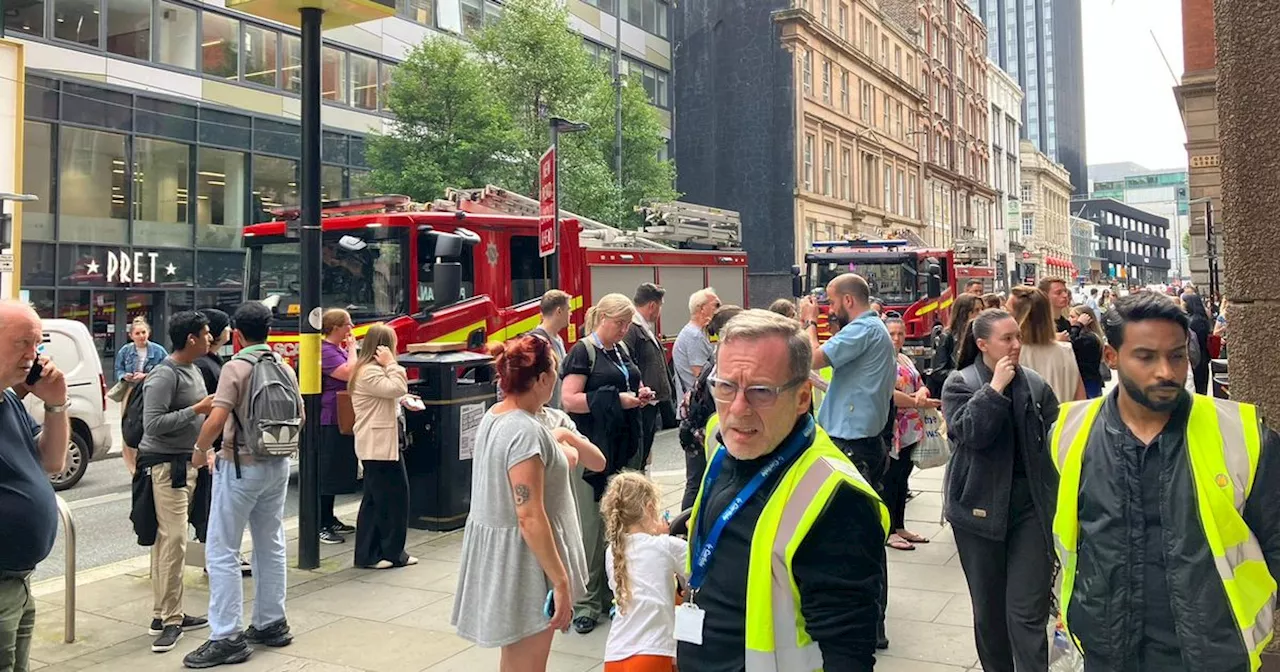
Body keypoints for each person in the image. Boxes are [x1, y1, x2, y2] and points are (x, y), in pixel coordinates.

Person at [1048, 292, 1280, 671]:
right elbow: (1057, 532)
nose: (1167, 372)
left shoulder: (1243, 434)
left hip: (1215, 653)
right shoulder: (1068, 433)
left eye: (1177, 355)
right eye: (1146, 356)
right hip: (1107, 649)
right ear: (1112, 357)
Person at [678, 310, 888, 671]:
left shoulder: (837, 499)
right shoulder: (728, 443)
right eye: (726, 386)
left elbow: (848, 653)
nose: (738, 409)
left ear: (803, 397)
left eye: (761, 391)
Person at [452, 335, 589, 672]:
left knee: (516, 661)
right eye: (555, 369)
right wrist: (560, 580)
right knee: (529, 663)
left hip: (509, 555)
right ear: (542, 379)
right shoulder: (526, 430)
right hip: (527, 562)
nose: (556, 377)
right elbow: (528, 513)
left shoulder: (495, 416)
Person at [941, 308, 1060, 672]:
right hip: (978, 511)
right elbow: (971, 433)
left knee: (1026, 610)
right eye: (1006, 339)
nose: (1015, 345)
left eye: (1017, 337)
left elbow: (1057, 438)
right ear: (982, 344)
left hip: (1029, 509)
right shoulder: (960, 383)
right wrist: (995, 390)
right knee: (990, 612)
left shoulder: (1035, 384)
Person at [184, 303, 301, 668]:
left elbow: (218, 416)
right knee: (271, 544)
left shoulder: (237, 367)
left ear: (236, 333)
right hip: (277, 465)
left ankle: (227, 636)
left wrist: (200, 450)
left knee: (222, 550)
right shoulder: (284, 365)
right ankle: (271, 623)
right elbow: (301, 416)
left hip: (240, 466)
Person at [797, 273, 896, 649]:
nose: (828, 307)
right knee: (860, 530)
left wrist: (808, 321)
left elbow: (812, 356)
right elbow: (841, 378)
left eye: (832, 301)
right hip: (862, 442)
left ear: (848, 301)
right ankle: (871, 621)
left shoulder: (863, 330)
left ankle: (870, 624)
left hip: (853, 445)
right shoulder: (873, 332)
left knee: (859, 534)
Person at [560, 294, 651, 634]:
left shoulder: (620, 350)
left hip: (624, 446)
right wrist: (618, 400)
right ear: (603, 319)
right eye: (619, 324)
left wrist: (638, 393)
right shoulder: (583, 351)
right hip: (594, 452)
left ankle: (615, 595)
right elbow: (569, 400)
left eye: (628, 325)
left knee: (619, 526)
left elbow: (628, 383)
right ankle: (586, 602)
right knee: (592, 529)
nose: (625, 330)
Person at [136, 311, 215, 653]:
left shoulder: (194, 369)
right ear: (192, 339)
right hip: (166, 467)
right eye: (206, 333)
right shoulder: (163, 375)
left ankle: (168, 612)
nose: (211, 338)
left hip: (187, 463)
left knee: (170, 541)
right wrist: (197, 410)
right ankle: (170, 620)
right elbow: (152, 425)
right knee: (174, 542)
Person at [0, 301, 69, 672]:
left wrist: (57, 403)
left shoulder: (9, 400)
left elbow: (53, 462)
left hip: (19, 583)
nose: (34, 355)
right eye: (22, 343)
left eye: (38, 344)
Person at [348, 325, 420, 570]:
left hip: (380, 443)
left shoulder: (368, 371)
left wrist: (403, 400)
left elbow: (392, 394)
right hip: (377, 444)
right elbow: (397, 387)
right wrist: (392, 364)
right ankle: (393, 552)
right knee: (395, 499)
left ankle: (369, 554)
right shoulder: (370, 372)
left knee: (374, 500)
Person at [600, 472, 687, 672]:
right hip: (652, 651)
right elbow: (697, 577)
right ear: (649, 508)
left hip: (615, 655)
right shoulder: (666, 546)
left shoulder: (612, 552)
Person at [193, 309, 253, 579]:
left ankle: (216, 555)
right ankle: (214, 558)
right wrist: (204, 447)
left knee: (213, 502)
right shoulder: (208, 365)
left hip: (215, 444)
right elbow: (212, 408)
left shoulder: (211, 361)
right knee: (211, 504)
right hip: (214, 445)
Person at [677, 304, 744, 510]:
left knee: (696, 484)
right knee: (704, 485)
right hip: (710, 436)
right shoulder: (723, 365)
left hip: (699, 433)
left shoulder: (715, 360)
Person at [883, 317, 940, 552]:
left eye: (900, 334)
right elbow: (889, 393)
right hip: (893, 427)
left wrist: (922, 393)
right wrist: (918, 400)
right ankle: (889, 530)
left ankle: (900, 526)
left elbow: (920, 381)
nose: (897, 339)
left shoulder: (904, 358)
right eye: (892, 334)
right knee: (890, 479)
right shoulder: (882, 361)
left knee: (904, 476)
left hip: (910, 429)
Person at [318, 309, 360, 544]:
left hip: (341, 417)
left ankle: (330, 517)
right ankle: (320, 523)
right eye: (347, 324)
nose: (351, 327)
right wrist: (353, 349)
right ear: (335, 327)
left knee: (335, 471)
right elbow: (349, 373)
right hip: (329, 417)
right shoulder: (326, 350)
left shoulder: (337, 349)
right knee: (326, 471)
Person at [624, 283, 675, 471]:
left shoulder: (643, 327)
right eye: (660, 306)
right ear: (652, 305)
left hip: (651, 401)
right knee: (640, 448)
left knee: (645, 449)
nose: (659, 312)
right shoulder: (633, 328)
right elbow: (627, 360)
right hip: (643, 402)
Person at [1008, 286, 1086, 403]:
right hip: (1064, 420)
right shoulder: (1065, 351)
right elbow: (1080, 400)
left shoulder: (1010, 354)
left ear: (1019, 318)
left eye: (1007, 311)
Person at [117, 317, 170, 476]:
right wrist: (124, 376)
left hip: (150, 390)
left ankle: (147, 463)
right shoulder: (125, 351)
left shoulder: (158, 351)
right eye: (137, 333)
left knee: (147, 424)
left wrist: (146, 376)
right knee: (128, 427)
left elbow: (166, 370)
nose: (141, 336)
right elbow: (118, 369)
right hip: (131, 390)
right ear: (131, 335)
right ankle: (133, 468)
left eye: (144, 332)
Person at [927, 293, 982, 398]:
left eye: (982, 309)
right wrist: (964, 375)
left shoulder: (982, 335)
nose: (981, 314)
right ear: (964, 313)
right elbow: (938, 371)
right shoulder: (947, 337)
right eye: (976, 310)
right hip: (956, 392)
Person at [528, 289, 572, 409]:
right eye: (568, 309)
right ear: (559, 311)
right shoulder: (536, 342)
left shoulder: (558, 339)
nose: (571, 314)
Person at [1068, 305, 1106, 399]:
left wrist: (1078, 325)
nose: (1069, 320)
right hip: (1087, 381)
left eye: (1073, 317)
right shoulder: (1088, 336)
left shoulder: (1089, 338)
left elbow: (1070, 345)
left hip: (1088, 382)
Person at [1182, 293, 1213, 394]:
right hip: (1203, 356)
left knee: (1198, 388)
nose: (1183, 305)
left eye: (1184, 302)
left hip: (1198, 358)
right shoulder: (1201, 319)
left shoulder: (1194, 321)